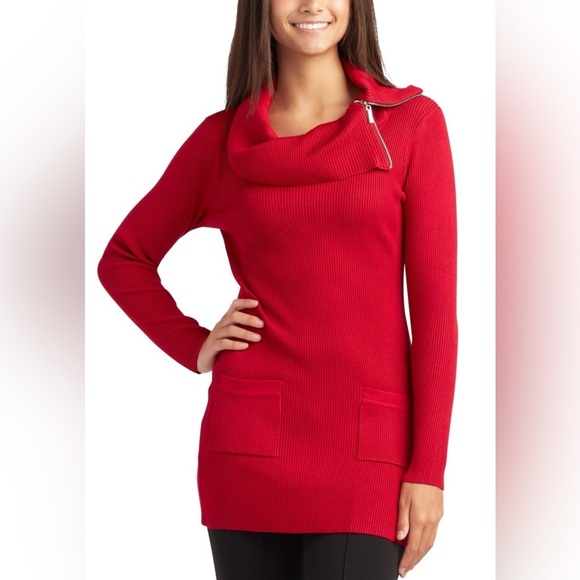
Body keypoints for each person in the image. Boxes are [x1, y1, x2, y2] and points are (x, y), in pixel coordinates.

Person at [97, 0, 458, 578]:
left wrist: (429, 470)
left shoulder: (412, 125)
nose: (312, 4)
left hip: (369, 455)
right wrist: (194, 345)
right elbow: (124, 259)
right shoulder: (220, 142)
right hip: (248, 451)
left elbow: (436, 317)